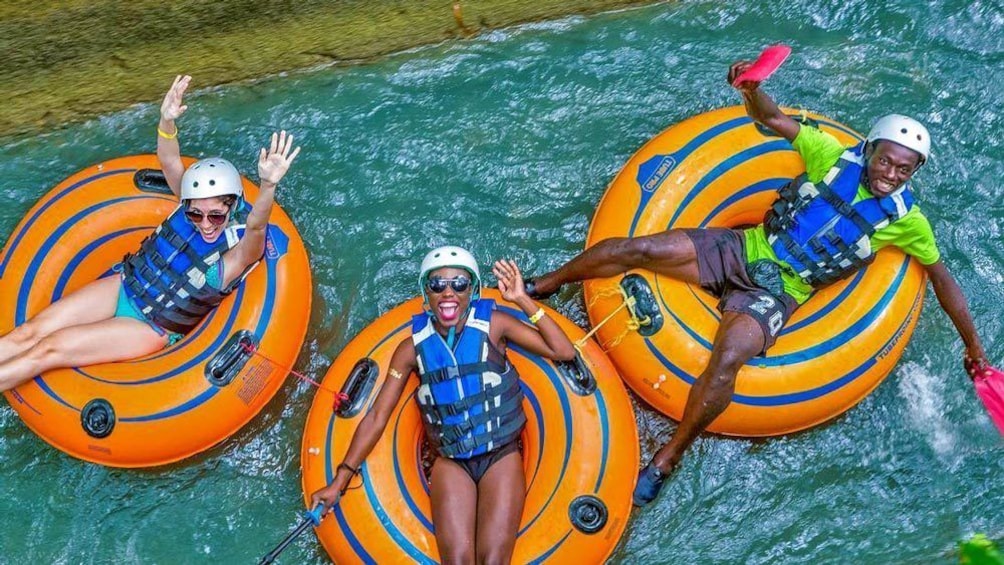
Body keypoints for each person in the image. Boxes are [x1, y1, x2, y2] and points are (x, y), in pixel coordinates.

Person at [523, 59, 990, 507]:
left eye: (904, 170)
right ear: (870, 150)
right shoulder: (829, 155)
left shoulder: (909, 223)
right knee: (634, 249)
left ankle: (669, 456)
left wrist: (974, 348)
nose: (891, 175)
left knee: (728, 357)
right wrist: (751, 88)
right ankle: (543, 285)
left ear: (914, 173)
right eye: (886, 162)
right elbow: (771, 119)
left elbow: (943, 281)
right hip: (745, 248)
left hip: (778, 291)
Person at [0, 75, 300, 392]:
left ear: (232, 207)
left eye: (216, 214)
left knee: (48, 349)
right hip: (124, 287)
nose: (205, 223)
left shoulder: (236, 255)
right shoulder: (186, 209)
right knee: (29, 333)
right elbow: (169, 159)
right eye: (195, 213)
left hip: (148, 326)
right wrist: (166, 120)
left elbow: (256, 225)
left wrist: (268, 184)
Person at [311, 246, 576, 564]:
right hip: (451, 462)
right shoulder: (410, 349)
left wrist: (522, 298)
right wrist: (340, 480)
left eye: (459, 284)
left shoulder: (495, 325)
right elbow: (378, 415)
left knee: (493, 561)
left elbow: (564, 352)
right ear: (426, 292)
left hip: (500, 455)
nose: (448, 293)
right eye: (437, 285)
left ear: (473, 290)